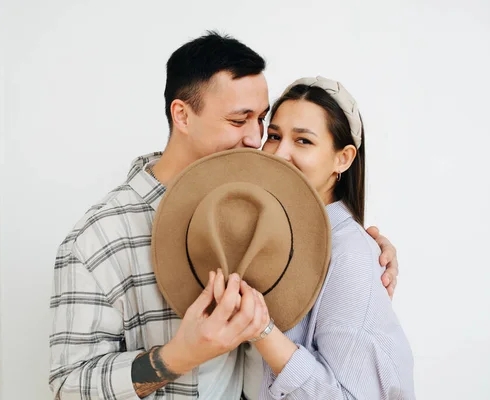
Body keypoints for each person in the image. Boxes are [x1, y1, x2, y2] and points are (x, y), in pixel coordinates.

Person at [49, 33, 400, 400]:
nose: (256, 139)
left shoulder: (259, 202)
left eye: (261, 119)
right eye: (238, 120)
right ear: (182, 115)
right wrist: (176, 357)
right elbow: (68, 386)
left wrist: (363, 249)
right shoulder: (99, 238)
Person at [213, 76, 414, 399]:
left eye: (303, 141)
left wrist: (263, 331)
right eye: (274, 136)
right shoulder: (265, 233)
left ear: (343, 159)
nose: (279, 154)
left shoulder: (351, 256)